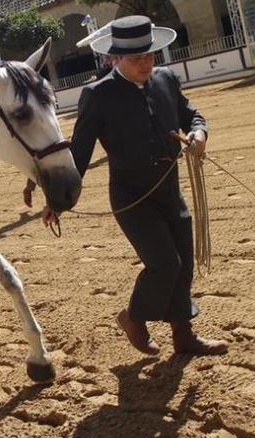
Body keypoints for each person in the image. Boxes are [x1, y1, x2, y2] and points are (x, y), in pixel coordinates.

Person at [24, 16, 227, 356]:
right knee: (165, 264)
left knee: (184, 265)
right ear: (116, 58)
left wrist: (199, 134)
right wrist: (57, 201)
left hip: (170, 193)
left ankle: (184, 336)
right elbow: (81, 153)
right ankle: (133, 318)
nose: (146, 63)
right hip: (132, 200)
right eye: (136, 58)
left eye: (149, 55)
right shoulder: (97, 95)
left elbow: (192, 115)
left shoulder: (166, 80)